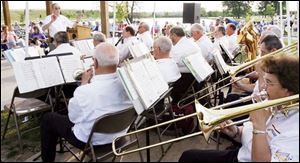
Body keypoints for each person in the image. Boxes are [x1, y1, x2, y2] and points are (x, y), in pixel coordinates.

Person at [179, 54, 299, 162]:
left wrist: (259, 127)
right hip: (242, 154)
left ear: (288, 90)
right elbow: (250, 139)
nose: (263, 86)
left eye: (269, 82)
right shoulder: (273, 102)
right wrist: (236, 132)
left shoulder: (295, 130)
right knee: (189, 156)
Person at [40, 43, 133, 162]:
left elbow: (73, 118)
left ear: (96, 63)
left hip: (90, 141)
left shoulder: (84, 91)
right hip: (120, 136)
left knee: (48, 118)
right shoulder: (129, 82)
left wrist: (84, 83)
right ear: (118, 60)